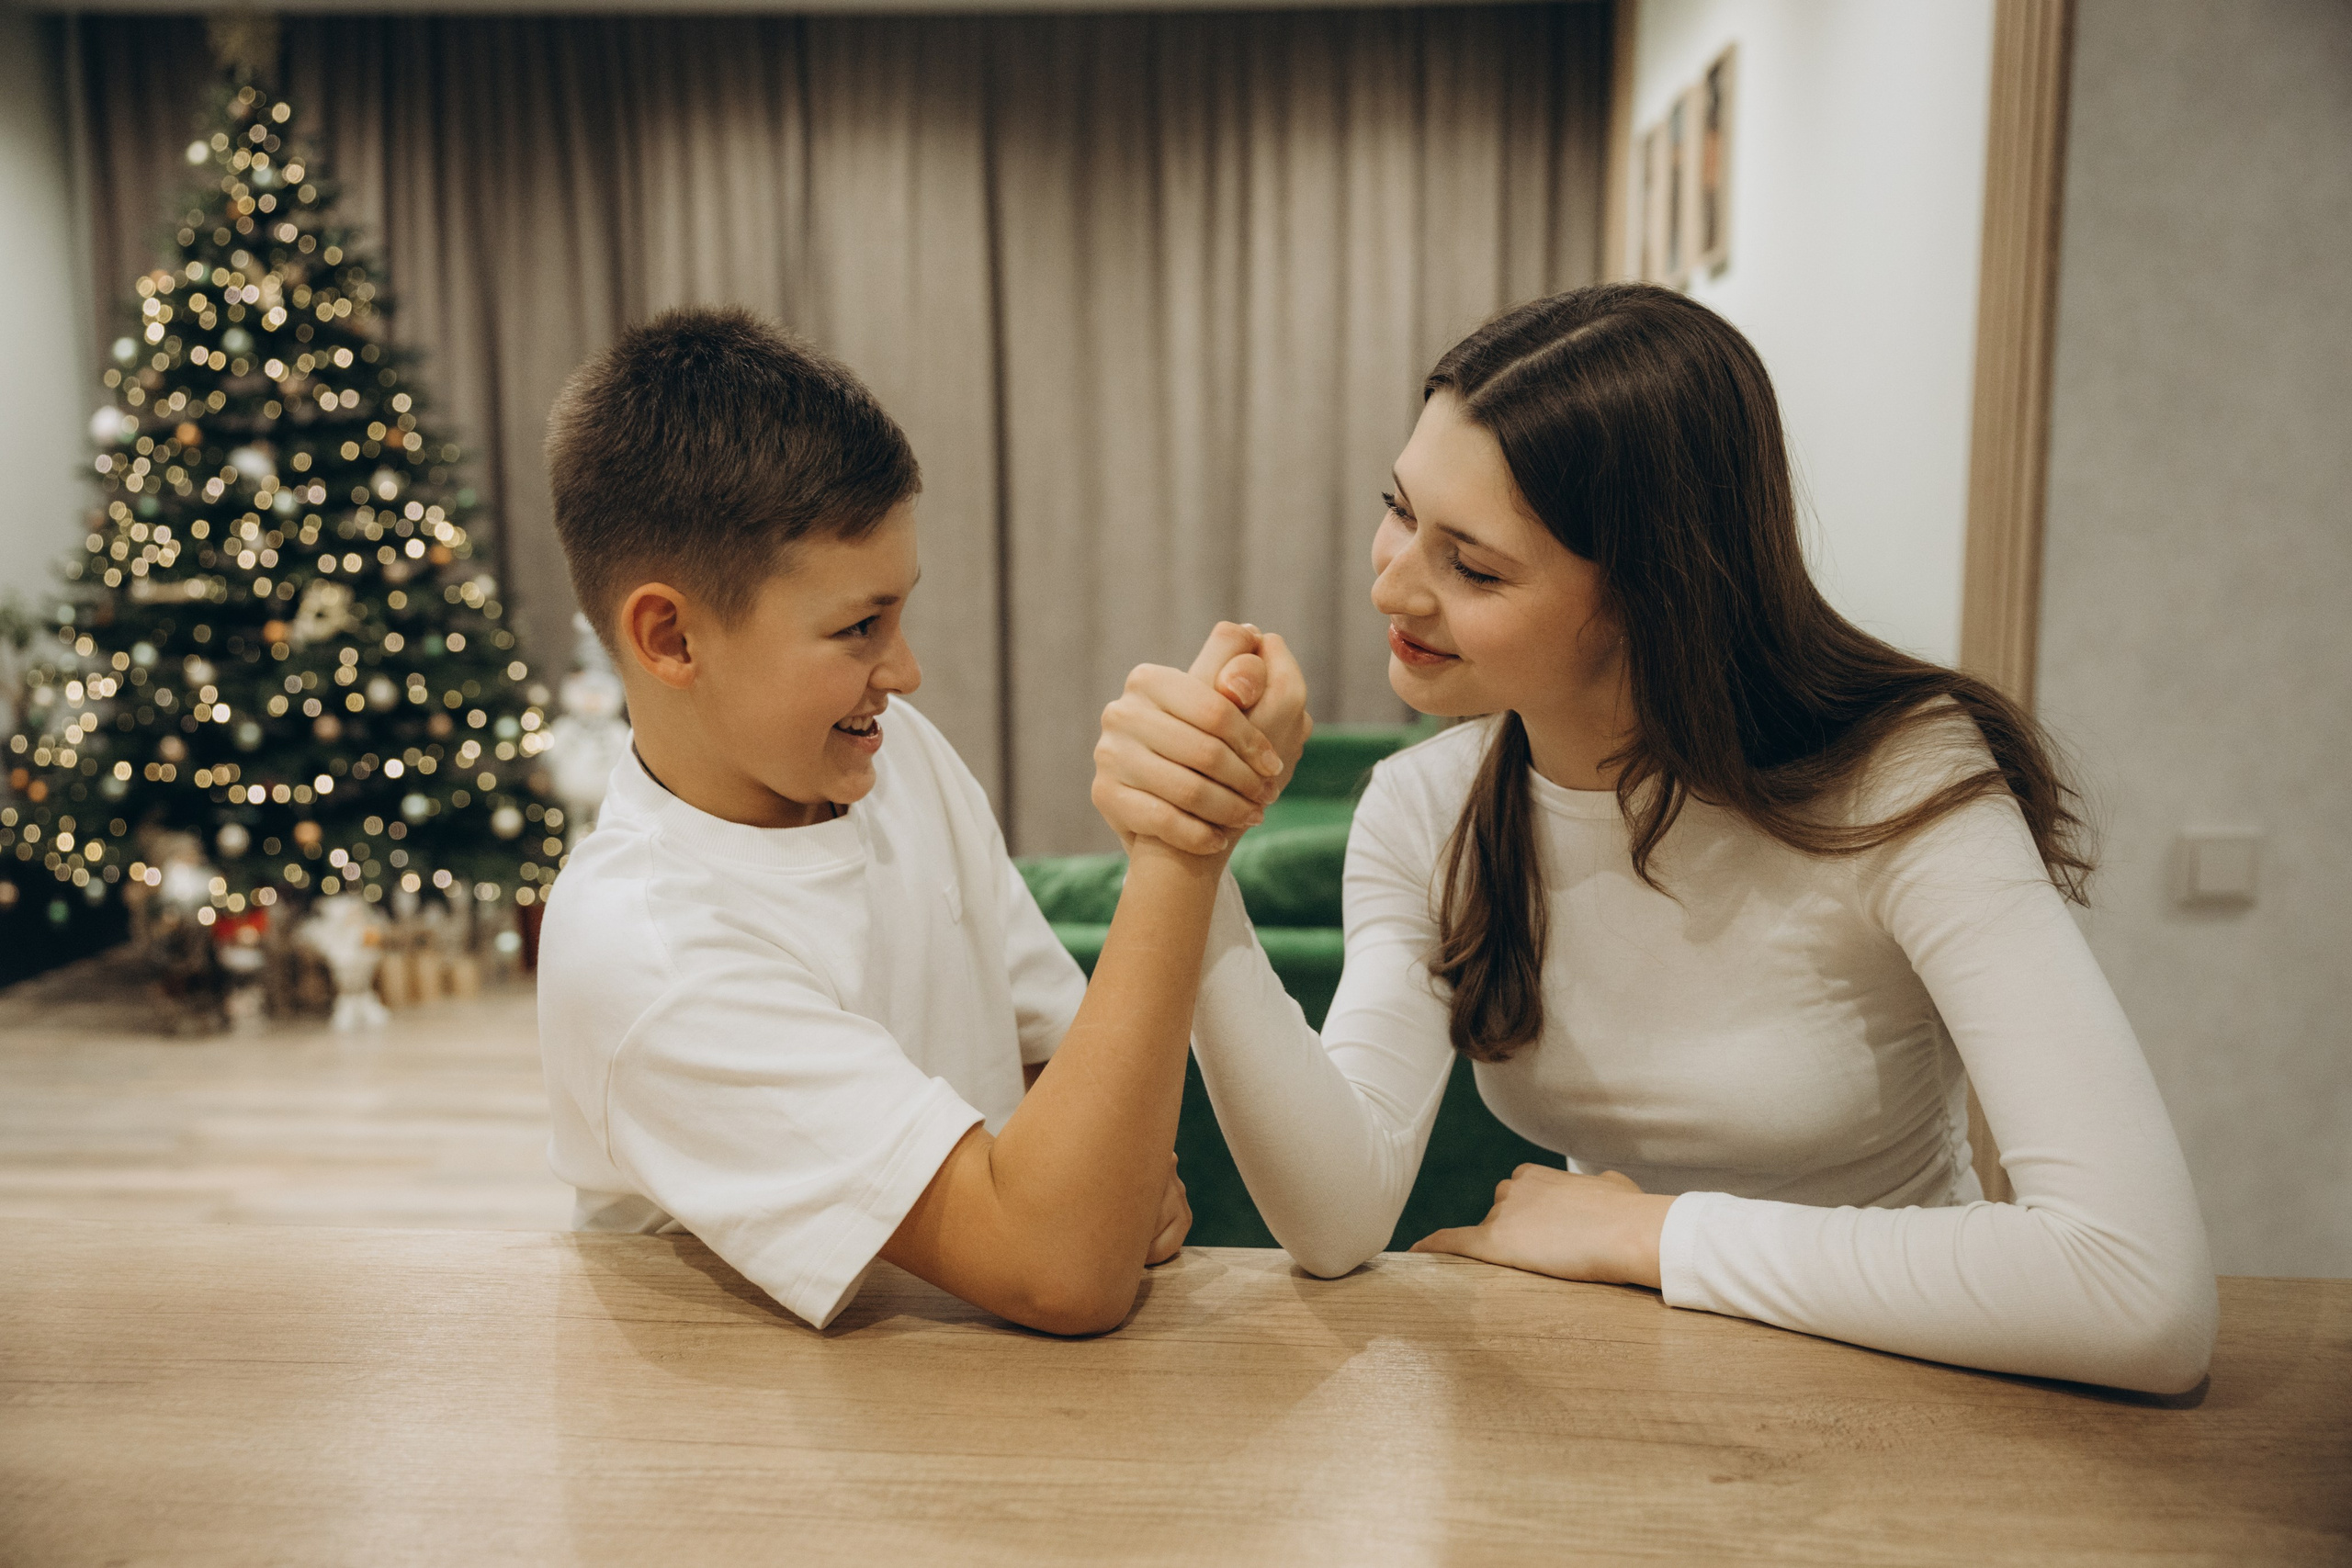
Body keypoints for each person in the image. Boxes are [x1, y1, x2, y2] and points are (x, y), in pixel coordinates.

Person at [1091, 284, 2216, 1393]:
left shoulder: (1898, 780)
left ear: (1652, 594)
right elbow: (1336, 1219)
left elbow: (2136, 1292)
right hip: (1620, 1389)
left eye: (1472, 565)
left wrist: (1647, 1234)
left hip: (1905, 1388)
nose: (1392, 583)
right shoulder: (1426, 807)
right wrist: (1192, 851)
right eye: (1399, 511)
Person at [535, 308, 1306, 1336]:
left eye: (898, 613)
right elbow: (1062, 1271)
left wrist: (1100, 1184)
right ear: (671, 636)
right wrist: (1183, 835)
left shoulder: (891, 756)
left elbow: (1058, 1059)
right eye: (860, 627)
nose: (904, 672)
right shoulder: (645, 955)